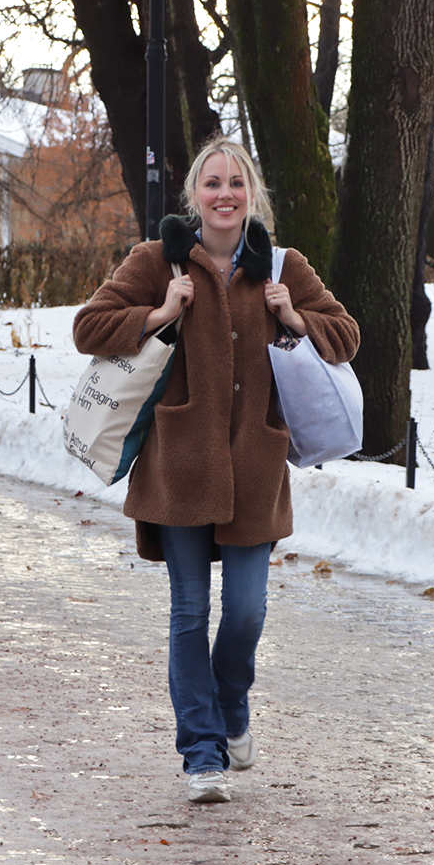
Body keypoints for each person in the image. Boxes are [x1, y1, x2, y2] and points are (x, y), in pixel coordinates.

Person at [71, 138, 359, 805]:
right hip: (178, 470)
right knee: (188, 611)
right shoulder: (156, 260)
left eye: (235, 183)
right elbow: (90, 327)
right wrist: (159, 314)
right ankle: (201, 751)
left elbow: (345, 335)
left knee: (248, 611)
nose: (224, 194)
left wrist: (294, 316)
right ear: (194, 195)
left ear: (250, 194)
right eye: (211, 183)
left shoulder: (284, 265)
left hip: (255, 469)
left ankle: (231, 702)